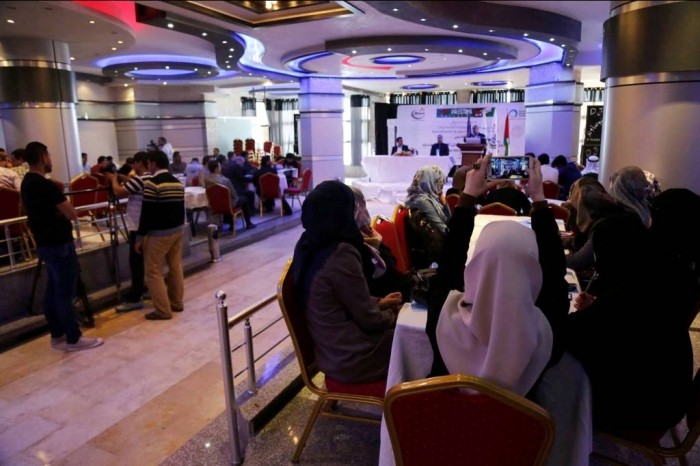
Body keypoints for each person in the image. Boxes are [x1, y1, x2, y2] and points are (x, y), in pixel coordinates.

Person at [431, 155, 567, 393]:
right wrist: (539, 199)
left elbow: (449, 263)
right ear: (532, 272)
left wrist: (467, 198)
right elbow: (555, 275)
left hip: (449, 417)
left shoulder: (444, 318)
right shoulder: (545, 332)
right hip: (521, 418)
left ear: (476, 265)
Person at [565, 189, 693, 436]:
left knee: (557, 376)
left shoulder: (626, 297)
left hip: (645, 413)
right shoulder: (653, 282)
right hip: (667, 398)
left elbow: (568, 336)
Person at [291, 180, 403, 383]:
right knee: (418, 337)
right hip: (353, 357)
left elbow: (340, 299)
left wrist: (379, 303)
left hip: (331, 351)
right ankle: (413, 399)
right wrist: (396, 314)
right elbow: (370, 320)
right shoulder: (341, 253)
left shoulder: (308, 242)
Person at [21, 141, 104, 351]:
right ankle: (73, 337)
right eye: (48, 155)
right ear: (43, 157)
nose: (51, 159)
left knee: (52, 291)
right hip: (59, 242)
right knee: (64, 292)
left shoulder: (27, 182)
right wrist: (60, 212)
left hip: (44, 243)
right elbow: (72, 213)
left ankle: (57, 335)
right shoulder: (45, 186)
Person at [135, 150, 185, 320]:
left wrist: (140, 237)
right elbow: (180, 209)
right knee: (175, 267)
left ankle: (163, 310)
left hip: (159, 234)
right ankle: (177, 302)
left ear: (154, 164)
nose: (148, 166)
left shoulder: (153, 184)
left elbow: (147, 213)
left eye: (149, 163)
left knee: (153, 271)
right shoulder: (177, 182)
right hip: (177, 230)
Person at [106, 151, 152, 312]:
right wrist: (122, 178)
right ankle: (145, 289)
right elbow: (133, 184)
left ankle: (136, 297)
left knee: (136, 263)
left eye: (134, 164)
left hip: (137, 226)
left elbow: (119, 192)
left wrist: (113, 179)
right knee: (144, 262)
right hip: (147, 225)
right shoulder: (149, 178)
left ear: (139, 163)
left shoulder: (140, 179)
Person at [351, 186, 412, 301]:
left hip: (392, 289)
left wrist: (377, 244)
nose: (364, 211)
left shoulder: (368, 232)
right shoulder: (350, 242)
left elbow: (392, 261)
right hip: (384, 296)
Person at [205, 159, 256, 230]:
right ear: (216, 169)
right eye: (220, 167)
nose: (221, 168)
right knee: (244, 199)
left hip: (214, 204)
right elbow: (234, 194)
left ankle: (231, 224)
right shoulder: (225, 180)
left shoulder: (206, 179)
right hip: (227, 205)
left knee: (229, 199)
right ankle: (248, 223)